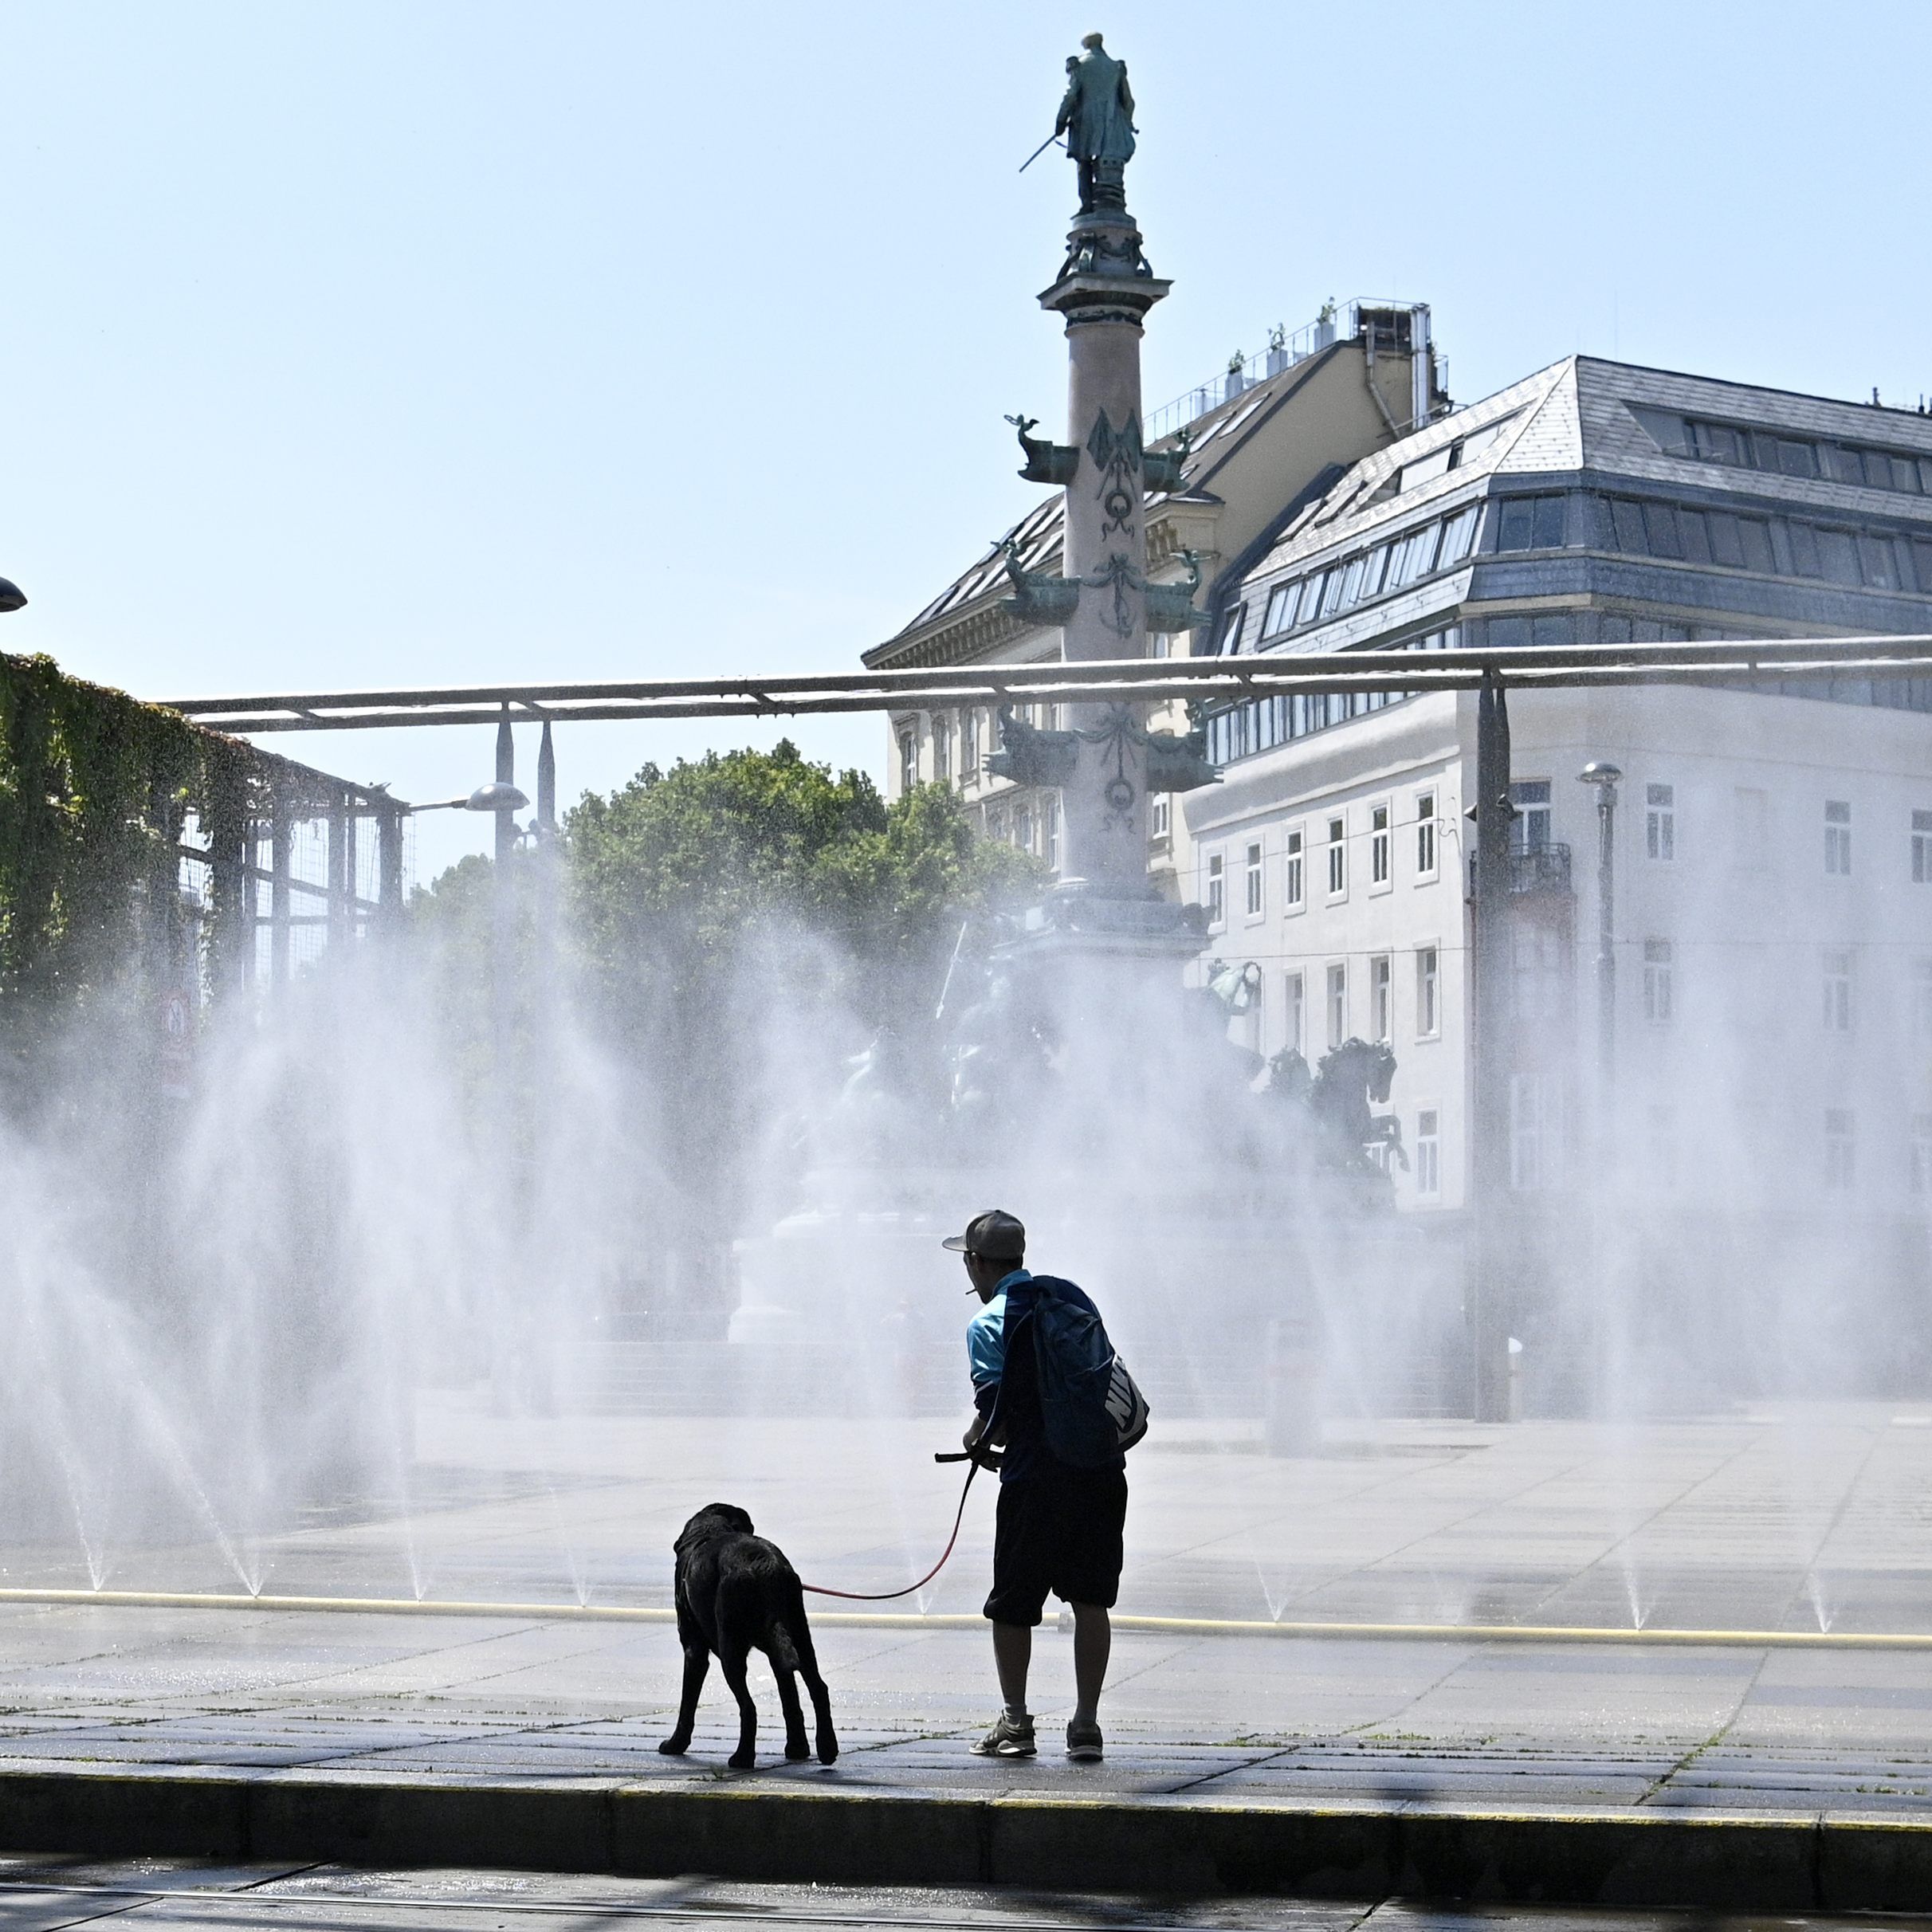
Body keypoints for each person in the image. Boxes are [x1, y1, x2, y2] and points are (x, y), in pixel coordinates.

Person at [944, 1208, 1126, 1761]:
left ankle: (1017, 1723)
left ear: (977, 1264)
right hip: (1098, 1471)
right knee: (1091, 1600)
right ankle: (1087, 1724)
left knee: (1012, 1604)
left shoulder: (988, 1323)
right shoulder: (1071, 1297)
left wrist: (974, 1440)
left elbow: (993, 1413)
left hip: (1035, 1480)